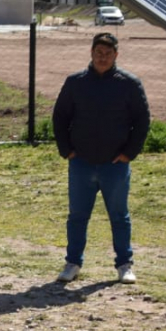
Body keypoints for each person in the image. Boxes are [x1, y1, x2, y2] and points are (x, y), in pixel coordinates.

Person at [51, 32, 150, 284]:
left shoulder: (129, 84)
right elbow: (60, 117)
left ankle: (124, 264)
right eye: (98, 53)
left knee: (119, 216)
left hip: (114, 165)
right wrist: (67, 150)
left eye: (108, 53)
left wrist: (129, 153)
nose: (102, 57)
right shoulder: (76, 82)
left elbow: (142, 121)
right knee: (77, 216)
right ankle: (73, 263)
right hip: (81, 162)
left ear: (116, 55)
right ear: (91, 53)